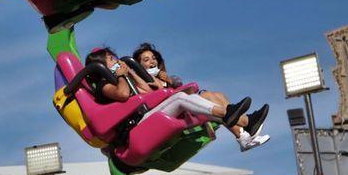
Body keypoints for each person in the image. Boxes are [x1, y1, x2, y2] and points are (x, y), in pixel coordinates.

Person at [132, 43, 270, 151]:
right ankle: (246, 124)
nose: (152, 61)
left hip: (184, 107)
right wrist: (161, 83)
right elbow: (157, 98)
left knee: (218, 95)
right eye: (146, 59)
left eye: (154, 58)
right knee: (208, 96)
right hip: (167, 115)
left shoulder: (166, 78)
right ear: (139, 65)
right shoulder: (142, 81)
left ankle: (243, 135)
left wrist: (169, 81)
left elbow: (178, 89)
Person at [84, 47, 251, 130]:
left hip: (146, 114)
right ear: (101, 65)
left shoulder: (121, 79)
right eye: (110, 59)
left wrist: (130, 73)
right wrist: (121, 76)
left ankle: (246, 123)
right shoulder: (103, 85)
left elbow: (147, 92)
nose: (115, 59)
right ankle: (229, 114)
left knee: (194, 98)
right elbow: (122, 95)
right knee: (180, 98)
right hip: (136, 123)